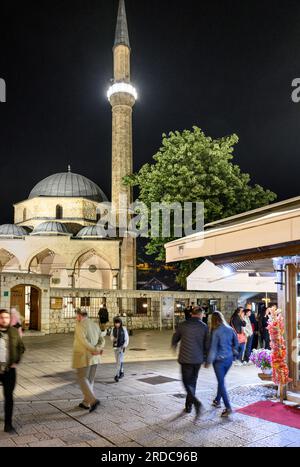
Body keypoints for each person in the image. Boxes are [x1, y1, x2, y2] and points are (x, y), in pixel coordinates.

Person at [172, 306, 210, 417]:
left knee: (186, 382)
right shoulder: (204, 327)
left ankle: (194, 403)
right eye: (203, 315)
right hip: (197, 360)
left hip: (185, 359)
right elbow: (207, 345)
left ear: (192, 313)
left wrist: (174, 346)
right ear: (200, 314)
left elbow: (175, 338)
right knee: (193, 382)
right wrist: (207, 359)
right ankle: (190, 404)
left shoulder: (183, 325)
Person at [207, 311, 239, 418]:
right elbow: (236, 343)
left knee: (221, 383)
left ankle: (228, 407)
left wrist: (208, 361)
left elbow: (213, 348)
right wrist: (233, 353)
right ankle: (217, 400)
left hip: (219, 361)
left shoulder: (216, 331)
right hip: (229, 359)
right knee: (221, 381)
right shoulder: (230, 329)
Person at [72, 309, 105, 413]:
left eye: (76, 316)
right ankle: (86, 402)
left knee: (82, 378)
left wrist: (94, 350)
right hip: (95, 357)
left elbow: (83, 341)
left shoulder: (79, 325)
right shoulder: (94, 324)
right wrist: (98, 349)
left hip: (84, 356)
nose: (76, 318)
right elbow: (102, 339)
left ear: (79, 316)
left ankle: (93, 400)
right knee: (90, 379)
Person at [0, 309, 25, 433]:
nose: (4, 320)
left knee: (9, 397)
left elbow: (21, 347)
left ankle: (8, 424)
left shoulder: (14, 332)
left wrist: (16, 361)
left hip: (9, 370)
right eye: (1, 317)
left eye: (6, 317)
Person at [111, 317, 129, 382]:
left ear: (120, 323)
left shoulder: (124, 329)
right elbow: (111, 336)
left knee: (119, 361)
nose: (117, 324)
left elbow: (126, 338)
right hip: (115, 347)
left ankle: (117, 375)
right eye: (116, 323)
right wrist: (113, 339)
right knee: (118, 360)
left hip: (121, 347)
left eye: (118, 323)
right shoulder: (113, 329)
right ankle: (121, 371)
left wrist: (124, 346)